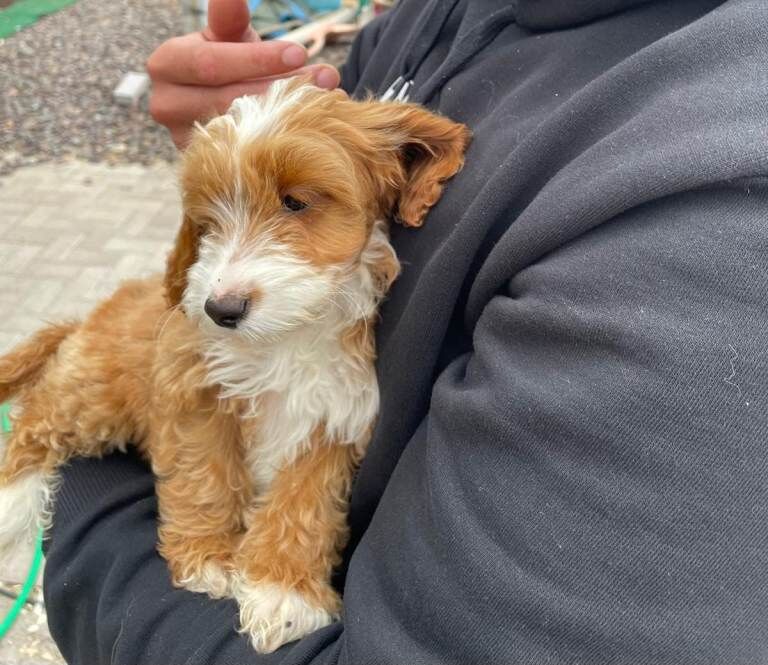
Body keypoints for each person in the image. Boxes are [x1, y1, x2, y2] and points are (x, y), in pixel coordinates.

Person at [43, 1, 768, 663]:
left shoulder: (710, 190)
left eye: (296, 202)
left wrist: (81, 506)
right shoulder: (429, 16)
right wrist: (251, 123)